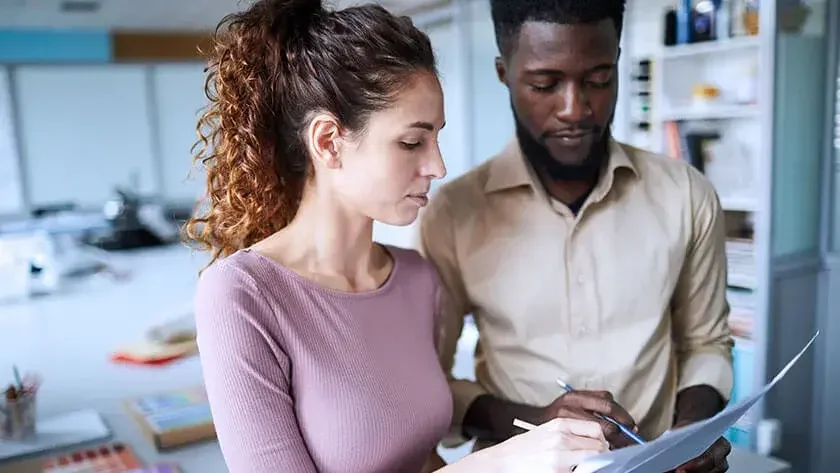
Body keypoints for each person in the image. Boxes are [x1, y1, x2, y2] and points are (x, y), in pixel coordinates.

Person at [185, 0, 609, 472]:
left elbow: (425, 459)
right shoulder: (242, 296)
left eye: (436, 139)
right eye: (412, 142)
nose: (438, 167)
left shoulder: (416, 280)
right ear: (328, 142)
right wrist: (501, 463)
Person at [418, 1, 735, 472]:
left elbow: (706, 345)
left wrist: (686, 438)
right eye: (545, 85)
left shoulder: (686, 196)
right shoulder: (453, 215)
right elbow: (431, 384)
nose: (576, 109)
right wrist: (537, 423)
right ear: (504, 72)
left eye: (599, 79)